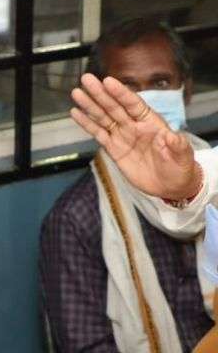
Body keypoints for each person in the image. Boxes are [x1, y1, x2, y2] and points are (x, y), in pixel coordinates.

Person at [40, 18, 213, 352]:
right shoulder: (76, 220)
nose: (144, 103)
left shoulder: (213, 179)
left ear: (186, 89)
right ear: (99, 102)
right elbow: (85, 345)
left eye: (160, 82)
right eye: (128, 88)